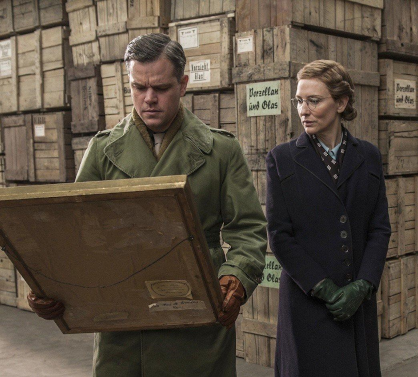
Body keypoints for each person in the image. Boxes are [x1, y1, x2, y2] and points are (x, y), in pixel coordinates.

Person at [27, 34, 267, 377]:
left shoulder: (221, 151)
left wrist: (237, 278)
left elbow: (248, 229)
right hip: (122, 318)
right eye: (138, 87)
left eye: (161, 88)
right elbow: (74, 234)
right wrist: (48, 285)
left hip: (198, 313)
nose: (149, 98)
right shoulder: (103, 151)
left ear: (183, 85)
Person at [265, 60, 391, 376]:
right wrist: (326, 290)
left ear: (341, 102)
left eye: (314, 100)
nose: (303, 110)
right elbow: (279, 235)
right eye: (299, 101)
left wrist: (362, 286)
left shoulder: (368, 156)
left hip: (355, 300)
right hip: (306, 300)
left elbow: (379, 228)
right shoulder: (283, 159)